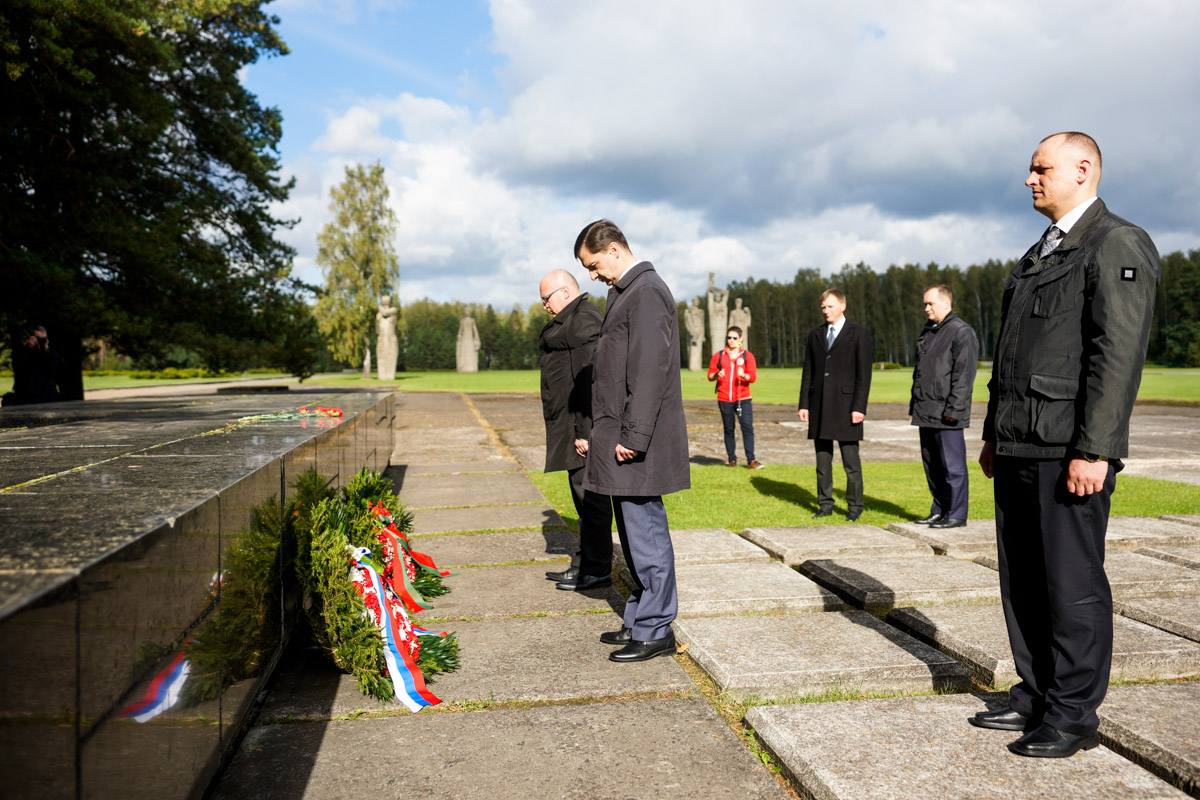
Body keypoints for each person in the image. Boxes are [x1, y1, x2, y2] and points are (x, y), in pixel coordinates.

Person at [972, 132, 1159, 759]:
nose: (1029, 179)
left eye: (1040, 168)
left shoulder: (1115, 243)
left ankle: (1074, 714)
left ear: (1083, 169)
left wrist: (1096, 449)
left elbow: (1117, 356)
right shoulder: (1039, 253)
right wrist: (995, 435)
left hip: (1068, 450)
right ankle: (1037, 692)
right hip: (1021, 445)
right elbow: (1012, 355)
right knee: (1022, 578)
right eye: (1029, 169)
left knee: (1070, 582)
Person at [575, 219, 690, 663]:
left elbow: (648, 371)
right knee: (632, 533)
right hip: (620, 438)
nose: (593, 274)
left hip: (635, 439)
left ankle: (657, 627)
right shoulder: (627, 292)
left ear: (614, 248)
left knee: (646, 534)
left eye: (593, 264)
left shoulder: (646, 292)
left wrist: (635, 436)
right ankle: (640, 618)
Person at [536, 268, 614, 592]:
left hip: (582, 427)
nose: (544, 306)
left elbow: (590, 379)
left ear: (565, 292)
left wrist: (585, 431)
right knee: (582, 500)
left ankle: (596, 570)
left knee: (591, 500)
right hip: (571, 425)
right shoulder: (571, 320)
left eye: (546, 298)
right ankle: (582, 564)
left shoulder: (583, 319)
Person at [797, 290, 872, 521]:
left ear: (842, 306)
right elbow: (807, 372)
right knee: (822, 461)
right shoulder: (815, 335)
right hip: (819, 407)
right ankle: (825, 504)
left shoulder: (859, 334)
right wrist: (804, 404)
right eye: (823, 307)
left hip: (847, 408)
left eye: (830, 306)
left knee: (851, 463)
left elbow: (863, 375)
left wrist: (859, 407)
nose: (825, 311)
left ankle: (855, 507)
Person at [908, 285, 978, 528]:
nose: (926, 308)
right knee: (933, 465)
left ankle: (956, 514)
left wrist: (954, 411)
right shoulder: (929, 331)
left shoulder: (961, 332)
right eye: (925, 304)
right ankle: (939, 509)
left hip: (947, 413)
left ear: (946, 304)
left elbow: (964, 376)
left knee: (953, 467)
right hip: (926, 410)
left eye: (930, 304)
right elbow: (921, 374)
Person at [707, 326, 762, 469]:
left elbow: (753, 377)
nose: (731, 340)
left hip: (743, 399)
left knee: (747, 428)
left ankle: (751, 460)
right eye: (729, 338)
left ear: (740, 339)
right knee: (728, 429)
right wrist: (717, 374)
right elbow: (710, 376)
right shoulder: (719, 355)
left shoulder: (746, 356)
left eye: (734, 338)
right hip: (724, 398)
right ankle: (732, 459)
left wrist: (743, 375)